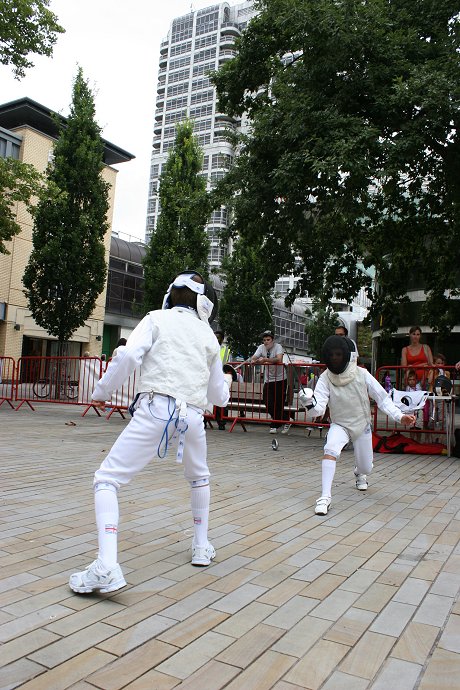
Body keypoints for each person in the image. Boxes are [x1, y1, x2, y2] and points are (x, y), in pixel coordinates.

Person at [69, 270, 232, 594]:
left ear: (170, 294)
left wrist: (101, 391)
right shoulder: (208, 336)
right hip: (193, 418)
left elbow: (129, 354)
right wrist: (226, 382)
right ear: (204, 305)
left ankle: (106, 565)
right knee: (199, 477)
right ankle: (201, 546)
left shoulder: (156, 318)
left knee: (107, 479)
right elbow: (218, 398)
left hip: (157, 408)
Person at [300, 336, 415, 516]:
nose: (334, 358)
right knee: (330, 450)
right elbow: (318, 411)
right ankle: (324, 497)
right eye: (331, 354)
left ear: (349, 355)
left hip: (362, 424)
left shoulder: (362, 374)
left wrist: (400, 416)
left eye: (338, 354)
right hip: (340, 424)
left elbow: (382, 399)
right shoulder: (325, 378)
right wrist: (308, 402)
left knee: (366, 468)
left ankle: (359, 472)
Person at [251, 330, 290, 434]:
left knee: (278, 403)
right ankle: (286, 420)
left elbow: (278, 359)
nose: (266, 342)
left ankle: (275, 424)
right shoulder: (261, 347)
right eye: (264, 340)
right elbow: (254, 357)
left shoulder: (278, 347)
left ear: (273, 340)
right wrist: (254, 360)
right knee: (267, 402)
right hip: (268, 380)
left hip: (280, 379)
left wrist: (264, 360)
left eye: (268, 340)